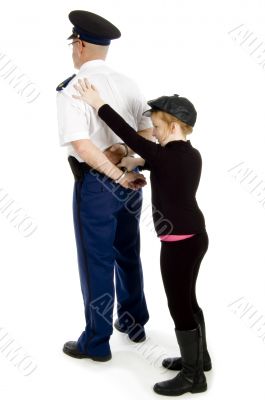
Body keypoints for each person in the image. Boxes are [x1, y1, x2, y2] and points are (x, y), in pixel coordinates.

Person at [72, 78, 212, 396]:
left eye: (159, 126)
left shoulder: (164, 156)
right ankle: (200, 359)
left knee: (179, 306)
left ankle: (193, 379)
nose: (155, 132)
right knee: (190, 301)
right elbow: (158, 162)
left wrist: (98, 104)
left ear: (175, 126)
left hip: (178, 245)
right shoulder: (190, 155)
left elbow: (130, 136)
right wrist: (137, 162)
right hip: (196, 238)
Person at [56, 10, 153, 362]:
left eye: (73, 45)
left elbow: (82, 146)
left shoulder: (72, 89)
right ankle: (134, 322)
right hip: (131, 182)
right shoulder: (129, 83)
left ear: (79, 45)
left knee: (96, 260)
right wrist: (125, 159)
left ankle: (96, 342)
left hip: (98, 187)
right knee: (128, 252)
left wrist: (114, 171)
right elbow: (148, 133)